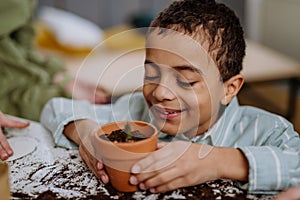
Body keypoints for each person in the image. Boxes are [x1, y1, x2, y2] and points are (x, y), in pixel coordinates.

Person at [40, 0, 300, 195]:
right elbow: (56, 107)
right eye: (151, 74)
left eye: (186, 80)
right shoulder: (140, 113)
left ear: (229, 89)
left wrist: (219, 161)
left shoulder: (267, 132)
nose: (160, 93)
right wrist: (87, 134)